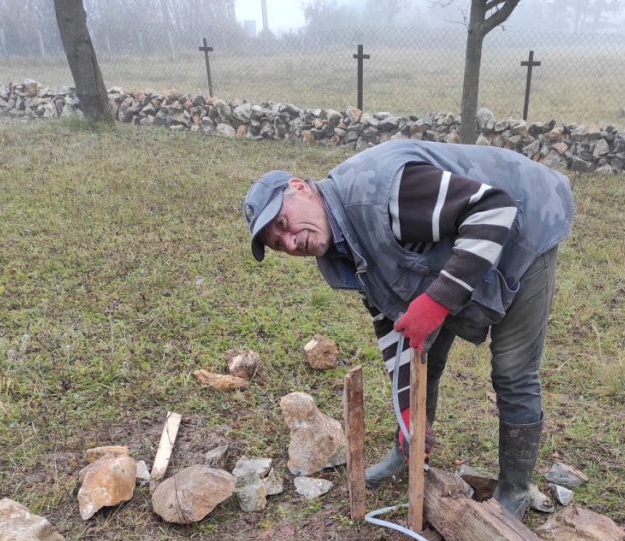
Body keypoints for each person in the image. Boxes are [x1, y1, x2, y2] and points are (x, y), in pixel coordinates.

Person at [242, 140, 574, 518]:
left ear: (300, 188)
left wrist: (437, 301)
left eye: (283, 223)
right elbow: (392, 320)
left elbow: (494, 208)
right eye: (278, 244)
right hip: (455, 242)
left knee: (513, 370)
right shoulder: (337, 246)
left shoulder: (382, 195)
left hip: (524, 225)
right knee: (421, 352)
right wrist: (407, 413)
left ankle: (514, 490)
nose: (290, 242)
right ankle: (409, 449)